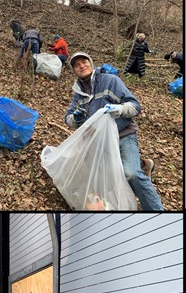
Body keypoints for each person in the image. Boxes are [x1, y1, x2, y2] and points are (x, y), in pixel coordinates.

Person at [65, 52, 163, 210]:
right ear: (74, 70)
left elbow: (135, 106)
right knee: (95, 178)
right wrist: (74, 119)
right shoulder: (78, 93)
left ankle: (156, 211)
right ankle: (143, 164)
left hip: (123, 134)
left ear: (91, 63)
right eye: (77, 65)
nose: (81, 66)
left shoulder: (110, 81)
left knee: (131, 174)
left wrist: (120, 109)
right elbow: (68, 118)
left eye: (84, 62)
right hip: (100, 142)